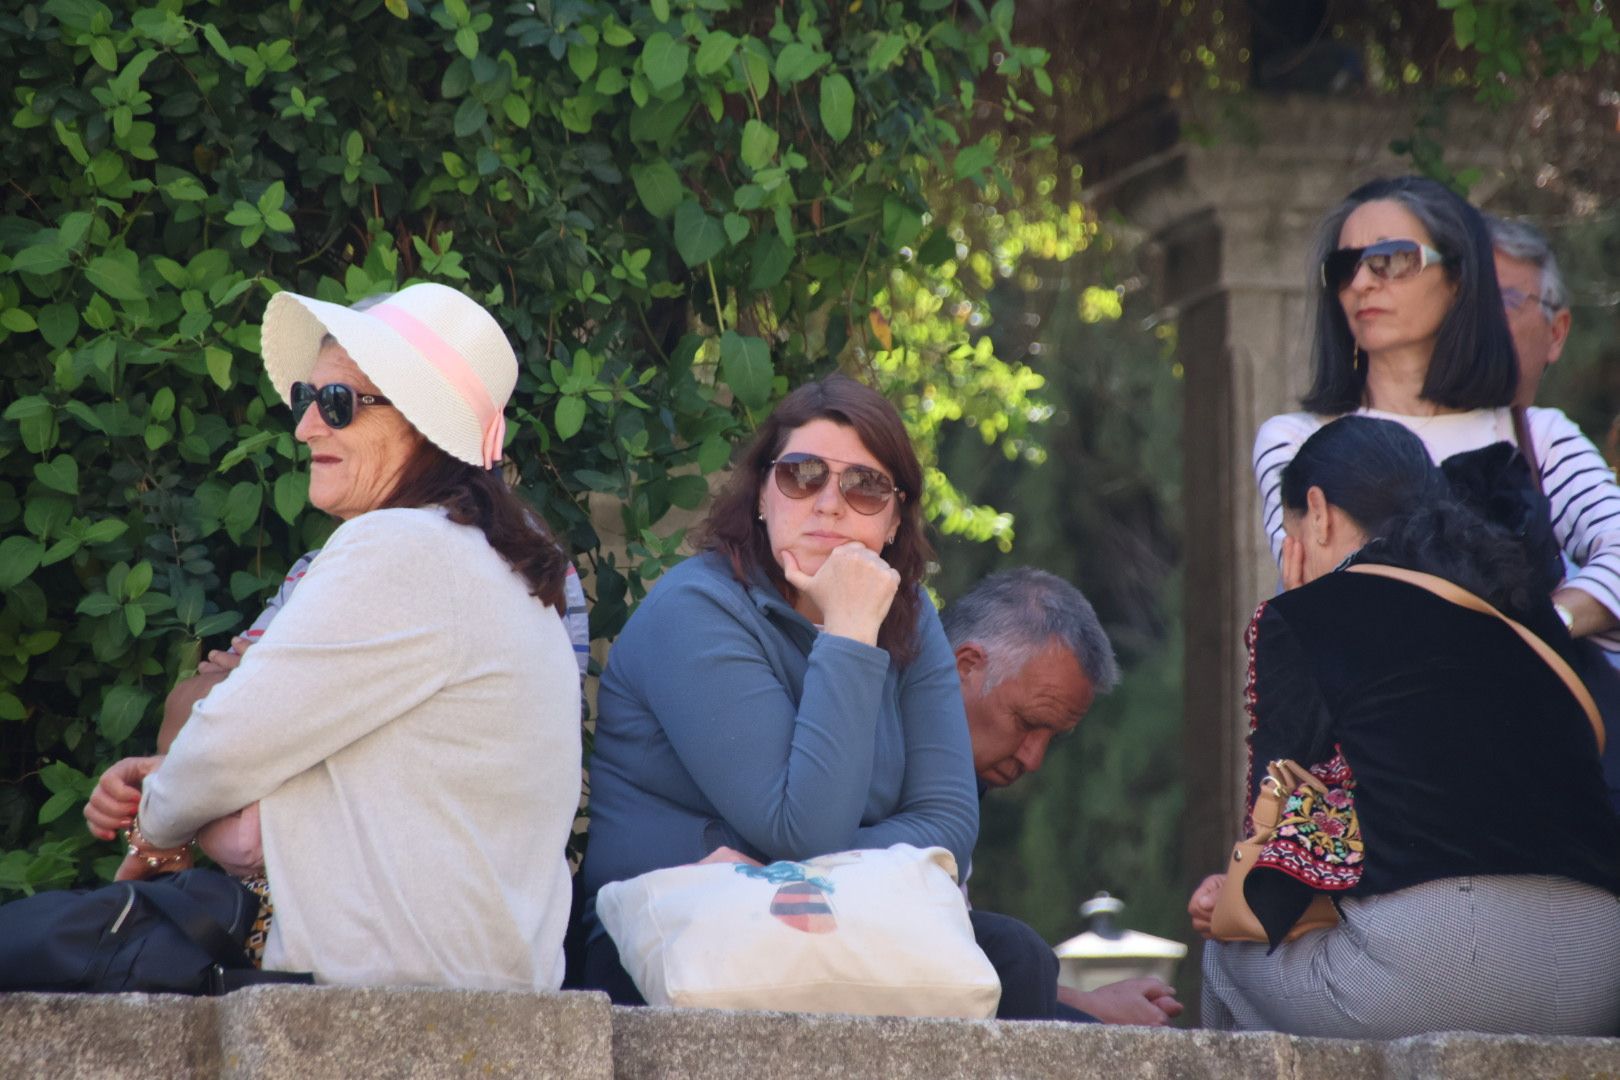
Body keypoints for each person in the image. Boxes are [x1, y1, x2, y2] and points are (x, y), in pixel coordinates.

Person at [83, 282, 582, 990]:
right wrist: (176, 786)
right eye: (303, 399)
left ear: (419, 422)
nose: (305, 428)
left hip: (381, 1005)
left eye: (338, 404)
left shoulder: (401, 547)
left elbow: (228, 742)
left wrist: (157, 826)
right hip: (468, 993)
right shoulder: (490, 560)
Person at [580, 375, 1065, 1018]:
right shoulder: (695, 611)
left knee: (1019, 958)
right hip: (672, 933)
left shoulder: (909, 614)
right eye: (801, 475)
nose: (829, 504)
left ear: (895, 519)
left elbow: (948, 825)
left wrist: (763, 860)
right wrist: (850, 633)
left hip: (831, 917)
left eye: (865, 487)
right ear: (762, 494)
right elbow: (801, 826)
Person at [1194, 415, 1620, 1038]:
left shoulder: (1311, 613)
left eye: (1290, 535)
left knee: (1226, 959)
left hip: (1449, 957)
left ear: (1317, 512)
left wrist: (1298, 612)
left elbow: (1274, 866)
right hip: (1601, 967)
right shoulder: (1530, 625)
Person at [1252, 176, 1620, 650]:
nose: (1362, 282)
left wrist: (1545, 628)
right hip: (1374, 718)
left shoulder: (1536, 435)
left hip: (1520, 717)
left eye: (1391, 260)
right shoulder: (1294, 441)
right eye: (1346, 266)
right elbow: (1320, 597)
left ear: (1459, 280)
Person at [943, 568, 1183, 1027]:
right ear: (966, 667)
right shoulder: (872, 734)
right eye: (1028, 722)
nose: (1034, 759)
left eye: (1054, 736)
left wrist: (1089, 1003)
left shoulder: (962, 782)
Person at [1487, 215, 1572, 410]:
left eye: (1504, 301)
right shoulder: (1405, 435)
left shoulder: (1557, 438)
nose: (1477, 319)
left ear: (1555, 334)